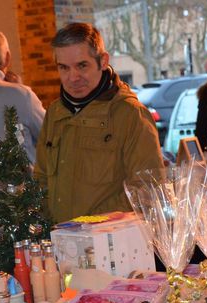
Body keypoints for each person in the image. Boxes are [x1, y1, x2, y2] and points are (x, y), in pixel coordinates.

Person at [34, 23, 164, 223]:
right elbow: (41, 178)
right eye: (64, 68)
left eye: (82, 65)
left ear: (103, 61)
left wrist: (87, 223)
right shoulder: (55, 112)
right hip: (60, 242)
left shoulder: (131, 115)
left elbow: (146, 190)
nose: (73, 77)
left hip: (112, 244)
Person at [0, 31, 45, 164]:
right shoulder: (21, 95)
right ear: (7, 58)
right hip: (19, 182)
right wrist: (19, 92)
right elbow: (50, 136)